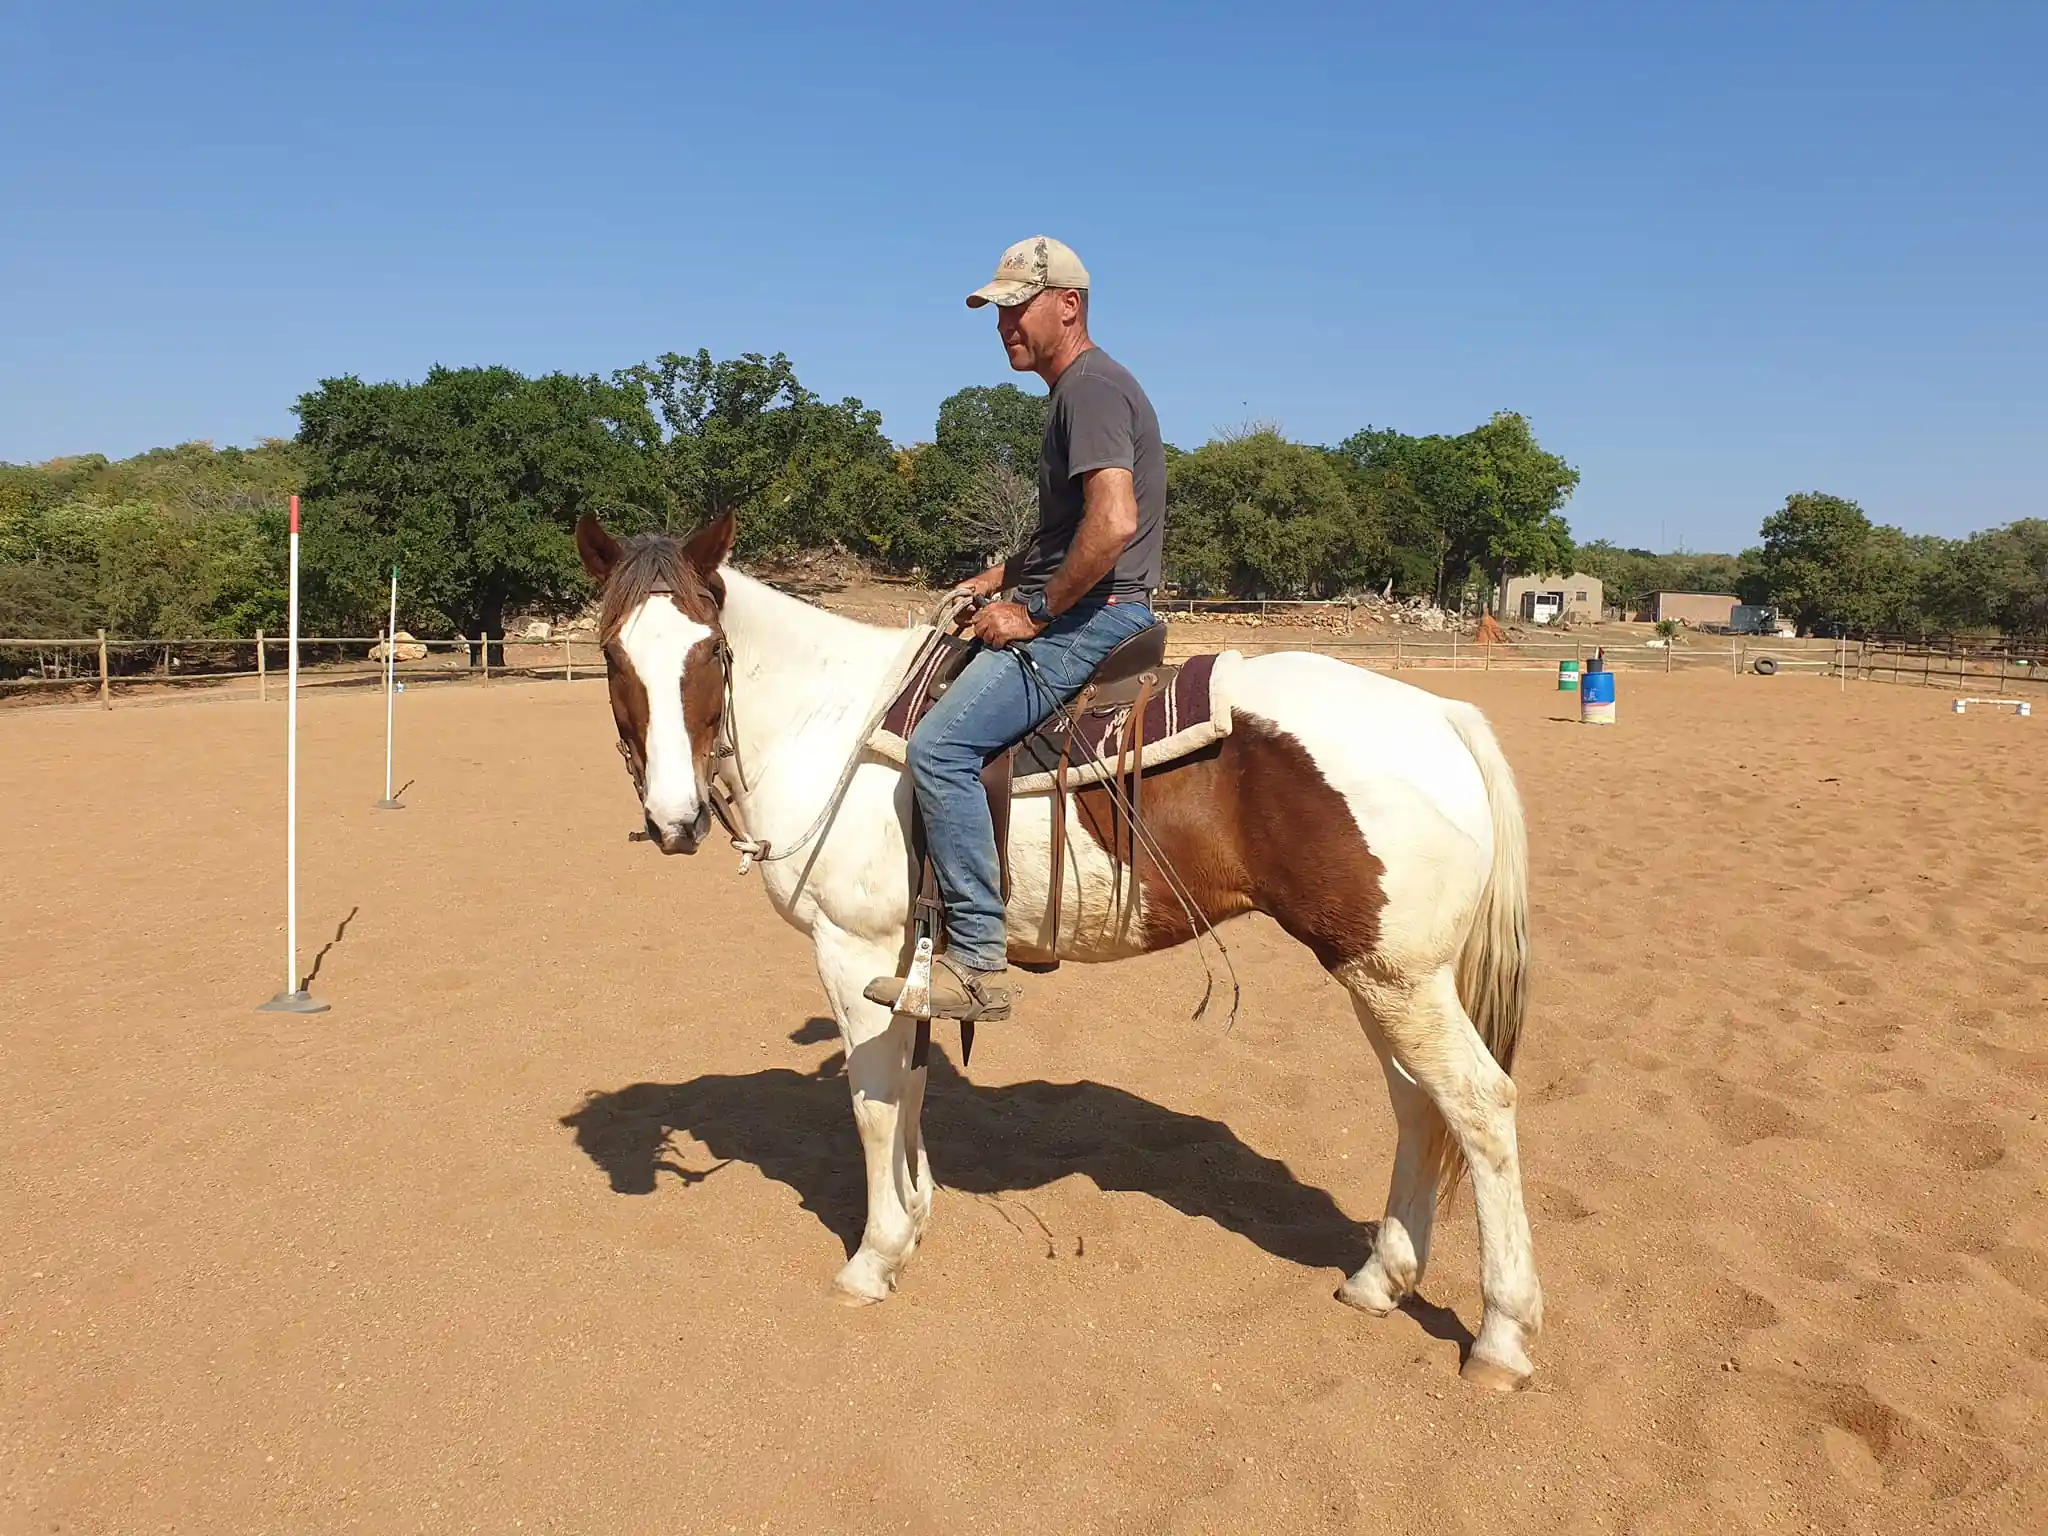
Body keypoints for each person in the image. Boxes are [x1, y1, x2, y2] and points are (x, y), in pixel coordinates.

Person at [864, 236, 1167, 1024]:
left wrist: (1031, 612)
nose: (1004, 325)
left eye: (1016, 306)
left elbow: (1112, 522)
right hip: (1087, 602)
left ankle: (973, 954)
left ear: (1068, 304)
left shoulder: (1090, 390)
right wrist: (998, 577)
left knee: (941, 746)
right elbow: (1069, 535)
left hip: (1094, 619)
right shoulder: (1079, 391)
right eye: (997, 312)